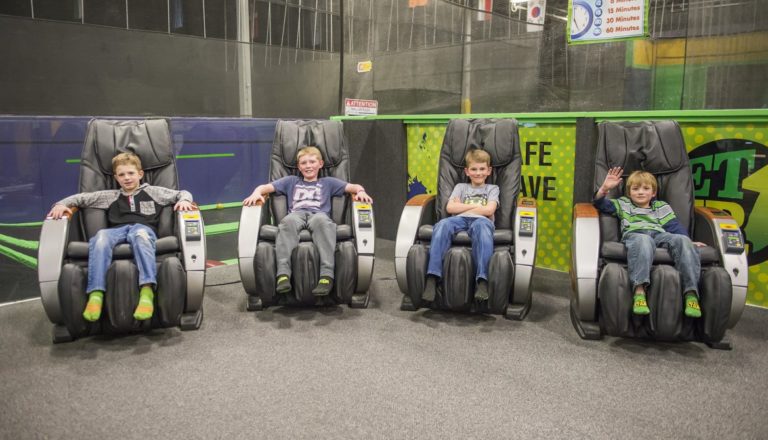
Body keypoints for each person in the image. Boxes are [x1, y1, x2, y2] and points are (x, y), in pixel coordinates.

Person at [48, 152, 195, 322]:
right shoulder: (110, 196)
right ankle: (96, 294)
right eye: (122, 175)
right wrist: (60, 204)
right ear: (116, 178)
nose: (127, 178)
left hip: (143, 229)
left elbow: (182, 193)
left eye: (131, 173)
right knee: (101, 237)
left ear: (140, 174)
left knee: (140, 235)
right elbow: (81, 198)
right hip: (116, 231)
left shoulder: (154, 192)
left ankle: (146, 291)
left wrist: (185, 200)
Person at [243, 146, 373, 297]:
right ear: (298, 166)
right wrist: (256, 193)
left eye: (312, 162)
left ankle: (326, 276)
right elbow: (265, 187)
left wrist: (361, 191)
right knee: (287, 223)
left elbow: (354, 187)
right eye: (304, 163)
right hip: (296, 214)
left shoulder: (328, 182)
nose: (308, 166)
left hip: (319, 214)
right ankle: (283, 275)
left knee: (323, 223)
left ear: (320, 164)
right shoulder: (291, 181)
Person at [593, 167, 704, 318]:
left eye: (646, 188)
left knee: (682, 240)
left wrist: (689, 241)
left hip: (660, 235)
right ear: (629, 192)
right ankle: (639, 292)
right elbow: (600, 204)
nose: (640, 192)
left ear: (653, 193)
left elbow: (674, 226)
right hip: (636, 235)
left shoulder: (661, 206)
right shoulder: (623, 203)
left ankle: (691, 294)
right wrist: (605, 188)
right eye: (635, 188)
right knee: (644, 240)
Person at [423, 148, 499, 303]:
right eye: (474, 169)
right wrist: (478, 209)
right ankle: (432, 277)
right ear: (467, 171)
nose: (478, 173)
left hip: (482, 221)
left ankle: (482, 281)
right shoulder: (460, 187)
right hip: (459, 219)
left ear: (489, 170)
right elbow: (450, 208)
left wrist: (462, 205)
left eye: (482, 169)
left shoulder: (493, 189)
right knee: (442, 224)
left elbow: (490, 210)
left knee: (482, 228)